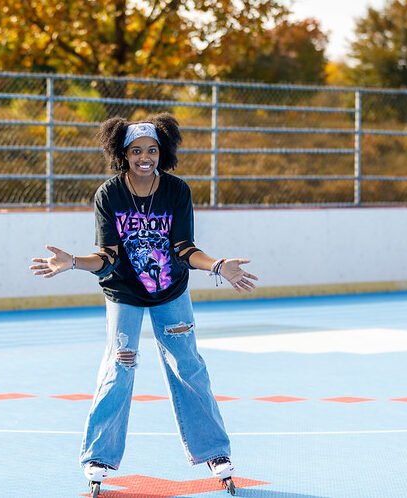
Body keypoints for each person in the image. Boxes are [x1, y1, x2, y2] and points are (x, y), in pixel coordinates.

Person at [29, 113, 258, 496]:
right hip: (124, 295)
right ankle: (98, 458)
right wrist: (73, 262)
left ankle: (215, 452)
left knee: (189, 367)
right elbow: (108, 256)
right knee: (119, 369)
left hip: (171, 293)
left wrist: (217, 266)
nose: (144, 157)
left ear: (162, 152)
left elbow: (184, 249)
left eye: (151, 150)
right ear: (123, 155)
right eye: (136, 151)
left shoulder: (176, 191)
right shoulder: (109, 194)